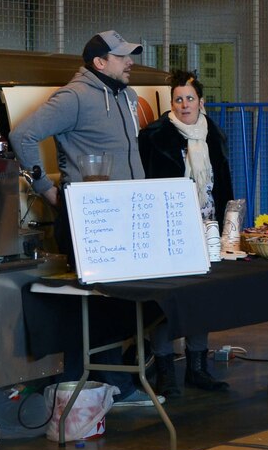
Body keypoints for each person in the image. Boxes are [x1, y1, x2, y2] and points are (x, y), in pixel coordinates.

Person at [9, 30, 158, 405]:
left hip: (126, 215)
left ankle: (104, 385)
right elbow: (22, 136)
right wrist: (46, 189)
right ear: (99, 63)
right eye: (122, 57)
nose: (130, 62)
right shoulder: (74, 97)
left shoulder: (125, 96)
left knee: (116, 303)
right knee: (97, 302)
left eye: (129, 56)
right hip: (89, 218)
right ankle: (106, 387)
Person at [137, 71, 235, 395]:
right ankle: (165, 371)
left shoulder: (213, 134)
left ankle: (197, 367)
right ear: (171, 103)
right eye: (178, 99)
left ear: (201, 102)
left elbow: (224, 184)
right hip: (168, 230)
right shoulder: (154, 137)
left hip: (206, 226)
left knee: (200, 299)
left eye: (189, 98)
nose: (183, 104)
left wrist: (226, 226)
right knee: (167, 302)